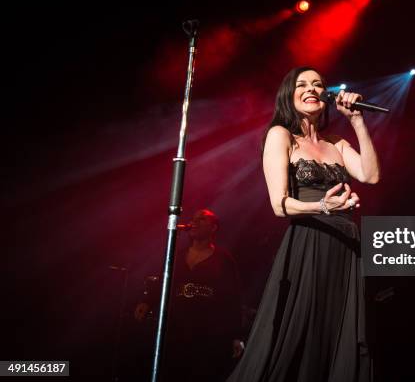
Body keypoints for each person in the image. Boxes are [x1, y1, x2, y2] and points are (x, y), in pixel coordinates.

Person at [227, 66, 380, 382]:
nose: (311, 88)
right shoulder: (281, 135)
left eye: (318, 84)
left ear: (326, 96)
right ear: (288, 94)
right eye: (302, 84)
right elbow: (279, 204)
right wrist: (323, 205)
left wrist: (357, 121)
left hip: (346, 248)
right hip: (308, 243)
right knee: (299, 334)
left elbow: (370, 174)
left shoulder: (336, 143)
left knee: (338, 332)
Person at [134, 209, 244, 382]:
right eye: (193, 219)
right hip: (175, 329)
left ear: (213, 227)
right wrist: (147, 301)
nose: (195, 222)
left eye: (202, 219)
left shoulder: (224, 259)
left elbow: (233, 300)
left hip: (207, 334)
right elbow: (164, 282)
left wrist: (237, 335)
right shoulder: (177, 255)